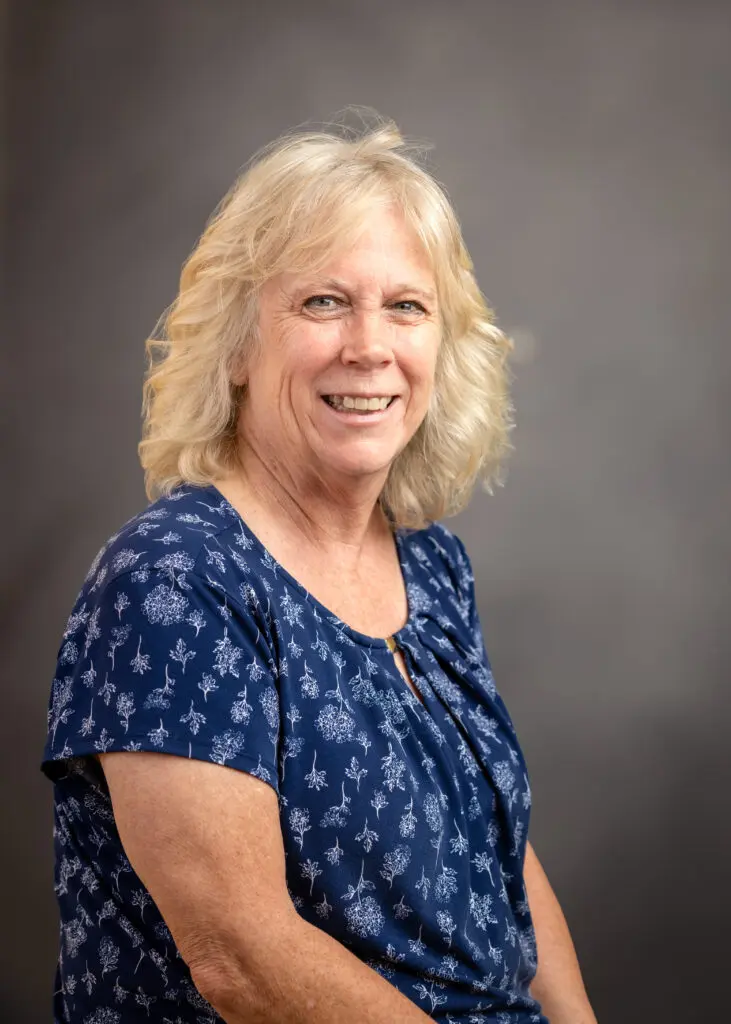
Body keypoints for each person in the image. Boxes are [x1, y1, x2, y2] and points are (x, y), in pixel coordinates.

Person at [41, 113, 597, 1024]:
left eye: (406, 307)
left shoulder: (431, 565)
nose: (369, 346)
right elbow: (241, 957)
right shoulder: (176, 578)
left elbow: (499, 856)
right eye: (322, 303)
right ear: (238, 345)